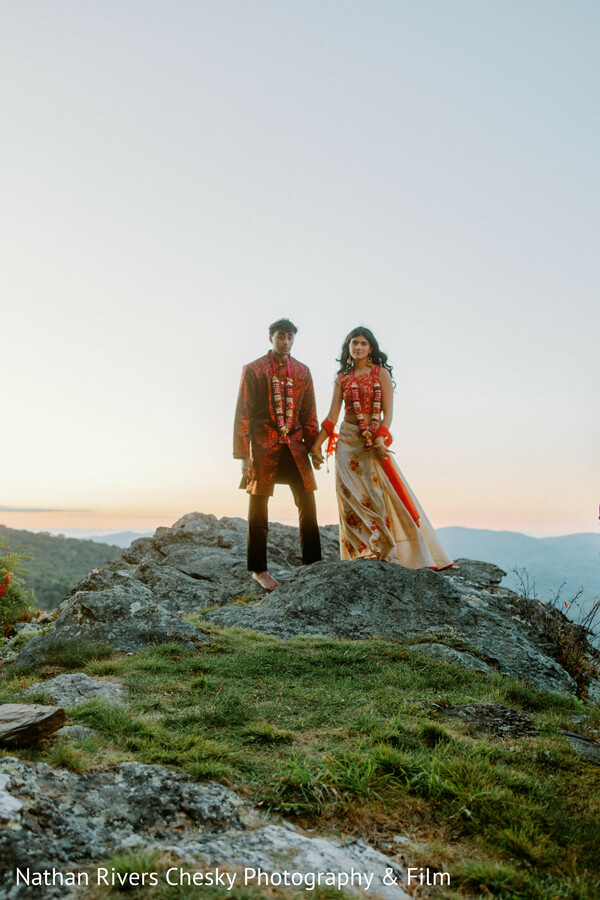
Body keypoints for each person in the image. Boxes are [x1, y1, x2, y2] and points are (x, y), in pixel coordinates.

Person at [310, 326, 453, 570]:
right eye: (353, 342)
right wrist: (317, 445)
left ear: (371, 347)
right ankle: (361, 553)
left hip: (372, 442)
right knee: (350, 498)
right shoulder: (342, 378)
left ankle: (386, 550)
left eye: (363, 343)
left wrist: (379, 439)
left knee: (376, 495)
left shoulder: (381, 374)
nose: (358, 347)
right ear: (348, 347)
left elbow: (388, 413)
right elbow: (332, 417)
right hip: (347, 441)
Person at [234, 318, 322, 590]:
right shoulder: (255, 369)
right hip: (263, 446)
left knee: (307, 503)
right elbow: (243, 413)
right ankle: (259, 570)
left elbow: (308, 414)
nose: (286, 341)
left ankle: (313, 566)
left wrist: (314, 448)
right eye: (281, 336)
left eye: (290, 337)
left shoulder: (302, 371)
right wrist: (244, 455)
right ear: (271, 338)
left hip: (295, 445)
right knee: (258, 507)